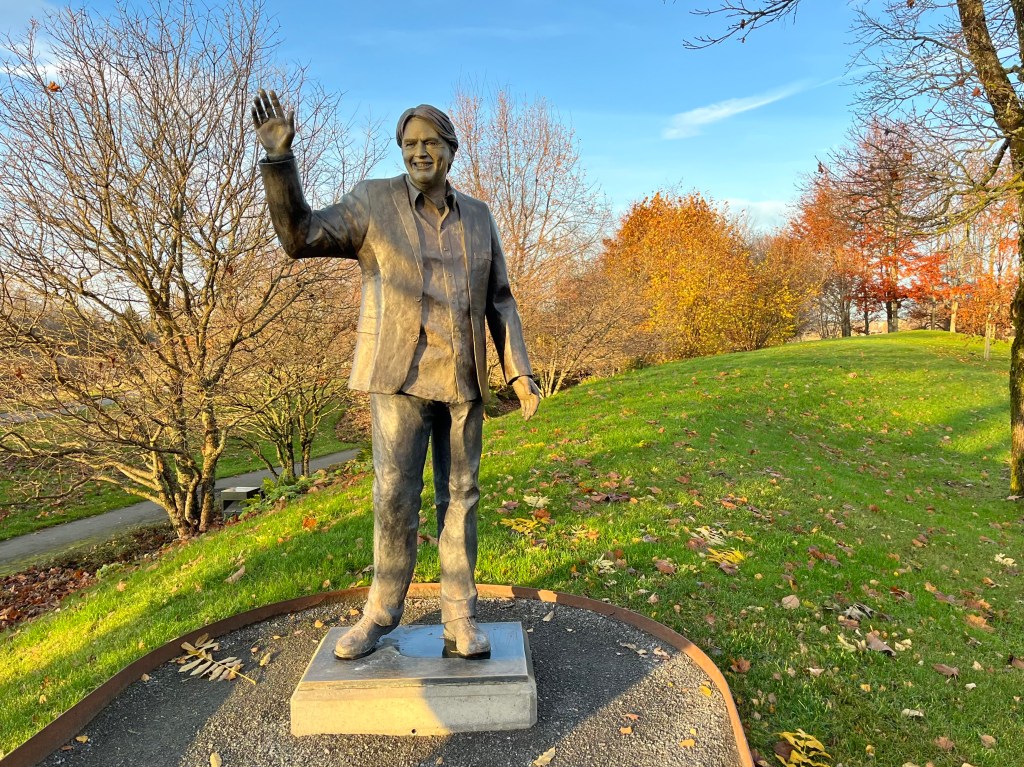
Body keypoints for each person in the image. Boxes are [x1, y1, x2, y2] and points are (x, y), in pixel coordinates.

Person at [252, 90, 541, 659]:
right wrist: (279, 162)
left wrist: (519, 373)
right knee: (393, 499)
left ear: (451, 150)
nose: (419, 152)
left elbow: (500, 301)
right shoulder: (374, 202)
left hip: (462, 381)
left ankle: (460, 616)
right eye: (410, 143)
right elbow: (299, 236)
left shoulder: (479, 216)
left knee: (461, 498)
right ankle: (381, 613)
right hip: (398, 378)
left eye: (430, 142)